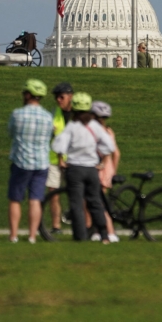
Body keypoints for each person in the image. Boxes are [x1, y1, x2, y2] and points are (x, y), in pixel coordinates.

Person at [50, 92, 116, 243]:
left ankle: (80, 237)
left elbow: (57, 144)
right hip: (91, 169)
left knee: (77, 204)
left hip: (75, 169)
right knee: (95, 202)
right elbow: (109, 145)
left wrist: (62, 158)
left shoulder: (72, 126)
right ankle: (104, 235)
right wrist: (102, 161)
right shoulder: (95, 126)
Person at [6, 79, 53, 244]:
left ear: (27, 95)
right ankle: (32, 236)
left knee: (16, 199)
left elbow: (10, 133)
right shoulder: (48, 117)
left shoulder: (18, 114)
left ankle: (13, 236)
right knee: (35, 199)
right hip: (41, 162)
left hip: (21, 161)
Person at [46, 82, 74, 234]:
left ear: (71, 97)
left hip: (73, 161)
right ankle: (56, 226)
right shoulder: (53, 112)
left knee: (75, 194)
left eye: (61, 97)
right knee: (53, 193)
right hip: (54, 160)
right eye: (56, 97)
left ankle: (78, 222)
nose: (58, 100)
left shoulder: (78, 114)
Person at [92, 101, 121, 242]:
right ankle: (98, 231)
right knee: (98, 202)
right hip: (108, 170)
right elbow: (117, 154)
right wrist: (113, 171)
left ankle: (110, 232)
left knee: (98, 204)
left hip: (99, 170)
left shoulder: (97, 133)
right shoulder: (109, 131)